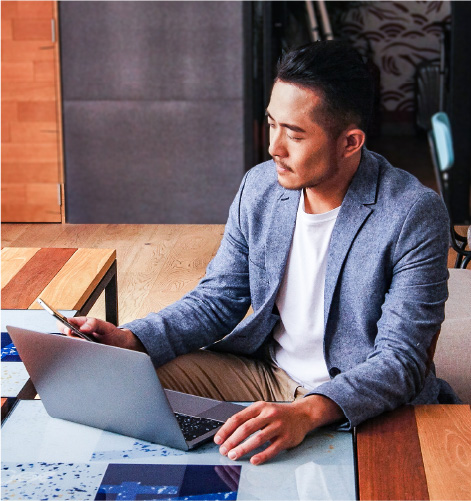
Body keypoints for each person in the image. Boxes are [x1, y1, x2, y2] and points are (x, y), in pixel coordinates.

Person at [61, 41, 458, 465]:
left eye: (295, 133)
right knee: (122, 386)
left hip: (359, 397)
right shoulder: (261, 187)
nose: (274, 147)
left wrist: (307, 412)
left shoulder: (412, 213)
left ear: (350, 142)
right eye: (272, 125)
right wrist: (132, 338)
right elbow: (218, 299)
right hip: (267, 375)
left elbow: (403, 360)